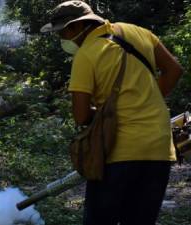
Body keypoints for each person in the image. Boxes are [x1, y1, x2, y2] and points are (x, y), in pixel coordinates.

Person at [40, 1, 184, 225]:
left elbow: (80, 115)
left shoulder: (86, 55)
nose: (62, 39)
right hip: (159, 148)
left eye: (62, 32)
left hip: (118, 151)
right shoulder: (137, 32)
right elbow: (174, 70)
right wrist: (147, 101)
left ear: (74, 27)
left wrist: (101, 114)